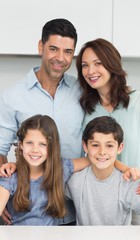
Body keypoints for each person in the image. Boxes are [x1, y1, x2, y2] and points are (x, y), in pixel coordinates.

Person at [0, 18, 82, 225]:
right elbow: (0, 151)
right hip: (28, 212)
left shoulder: (83, 92)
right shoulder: (12, 97)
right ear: (40, 46)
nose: (60, 58)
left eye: (68, 52)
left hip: (75, 208)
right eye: (53, 49)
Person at [76, 38, 140, 224]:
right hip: (101, 204)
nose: (90, 71)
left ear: (111, 64)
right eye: (85, 65)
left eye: (98, 63)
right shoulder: (86, 111)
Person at [65, 116, 140, 238]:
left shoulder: (129, 182)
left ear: (119, 148)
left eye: (109, 145)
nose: (102, 152)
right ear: (85, 146)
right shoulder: (74, 181)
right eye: (95, 145)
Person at [0, 114, 91, 225]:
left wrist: (119, 166)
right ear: (21, 145)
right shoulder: (10, 177)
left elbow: (95, 158)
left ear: (52, 147)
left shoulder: (61, 168)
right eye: (29, 143)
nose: (35, 150)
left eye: (42, 144)